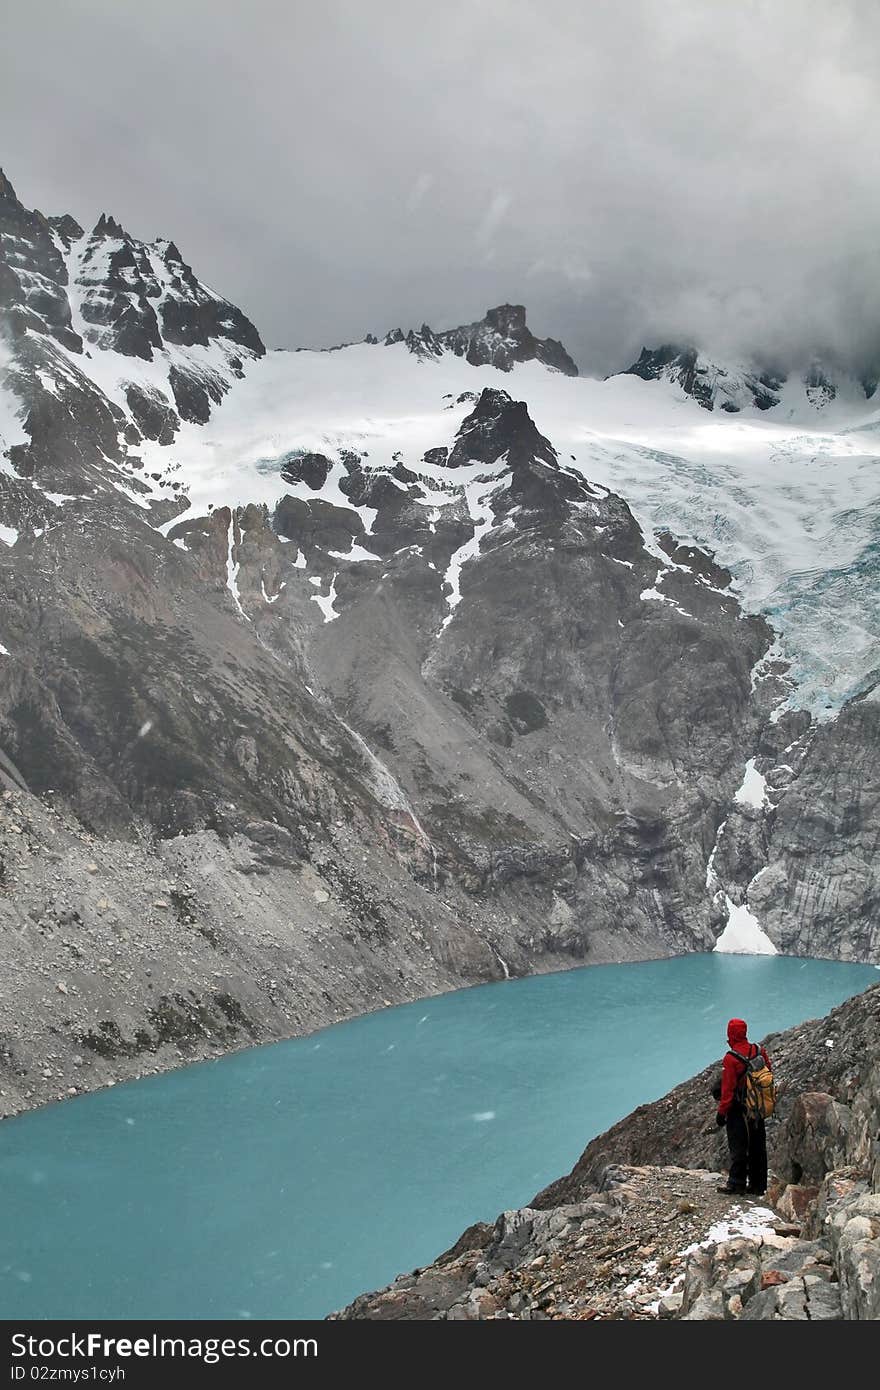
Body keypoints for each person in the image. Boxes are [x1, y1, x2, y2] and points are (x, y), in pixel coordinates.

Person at [713, 1017, 771, 1196]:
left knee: (738, 1146)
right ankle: (758, 1185)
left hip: (738, 1110)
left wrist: (722, 1113)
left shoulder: (731, 1059)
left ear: (731, 1035)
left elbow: (728, 1090)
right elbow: (768, 1072)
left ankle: (736, 1184)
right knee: (758, 1146)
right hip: (757, 1107)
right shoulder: (758, 1050)